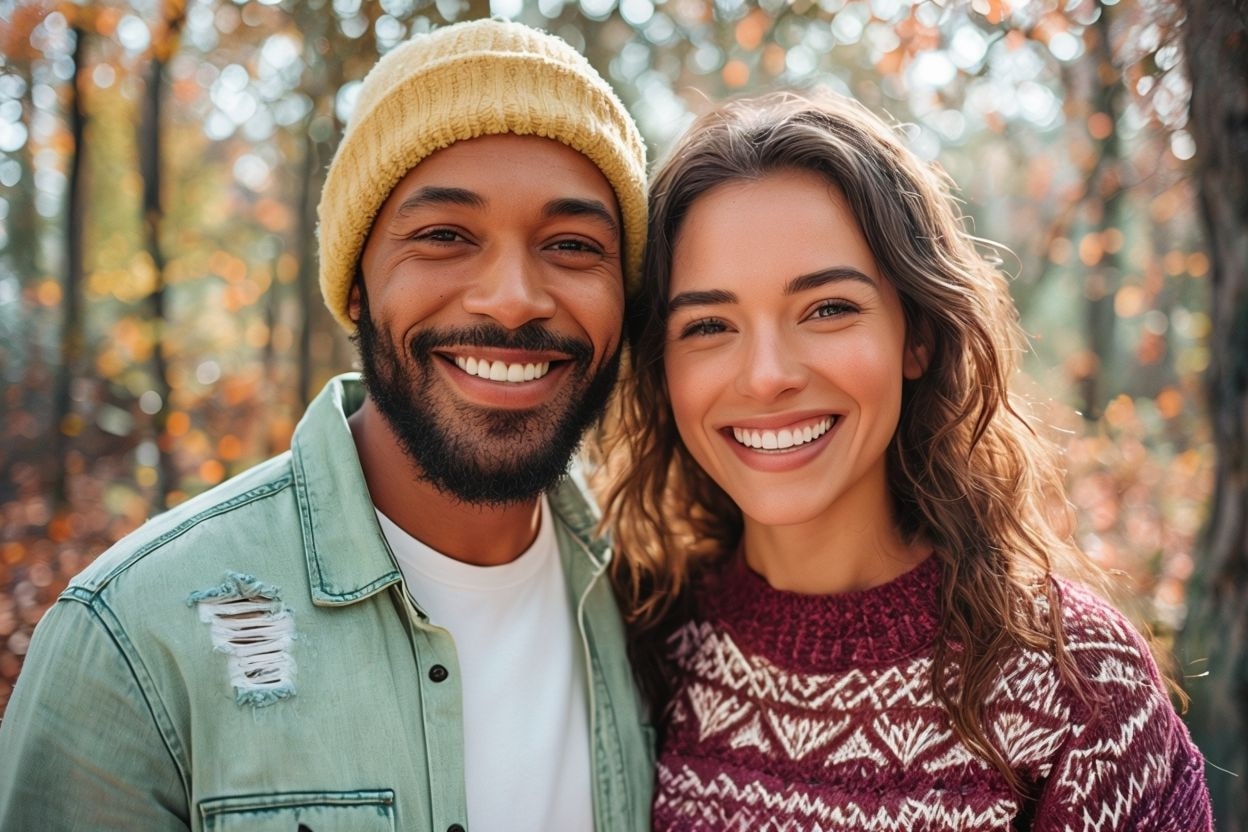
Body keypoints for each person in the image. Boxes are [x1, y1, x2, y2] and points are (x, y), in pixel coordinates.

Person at [0, 18, 654, 832]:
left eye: (572, 244)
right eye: (445, 236)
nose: (513, 297)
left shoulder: (654, 601)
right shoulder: (134, 639)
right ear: (354, 287)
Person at [596, 89, 1213, 830]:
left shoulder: (1080, 686)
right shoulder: (637, 644)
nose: (766, 375)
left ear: (916, 334)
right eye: (708, 324)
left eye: (828, 309)